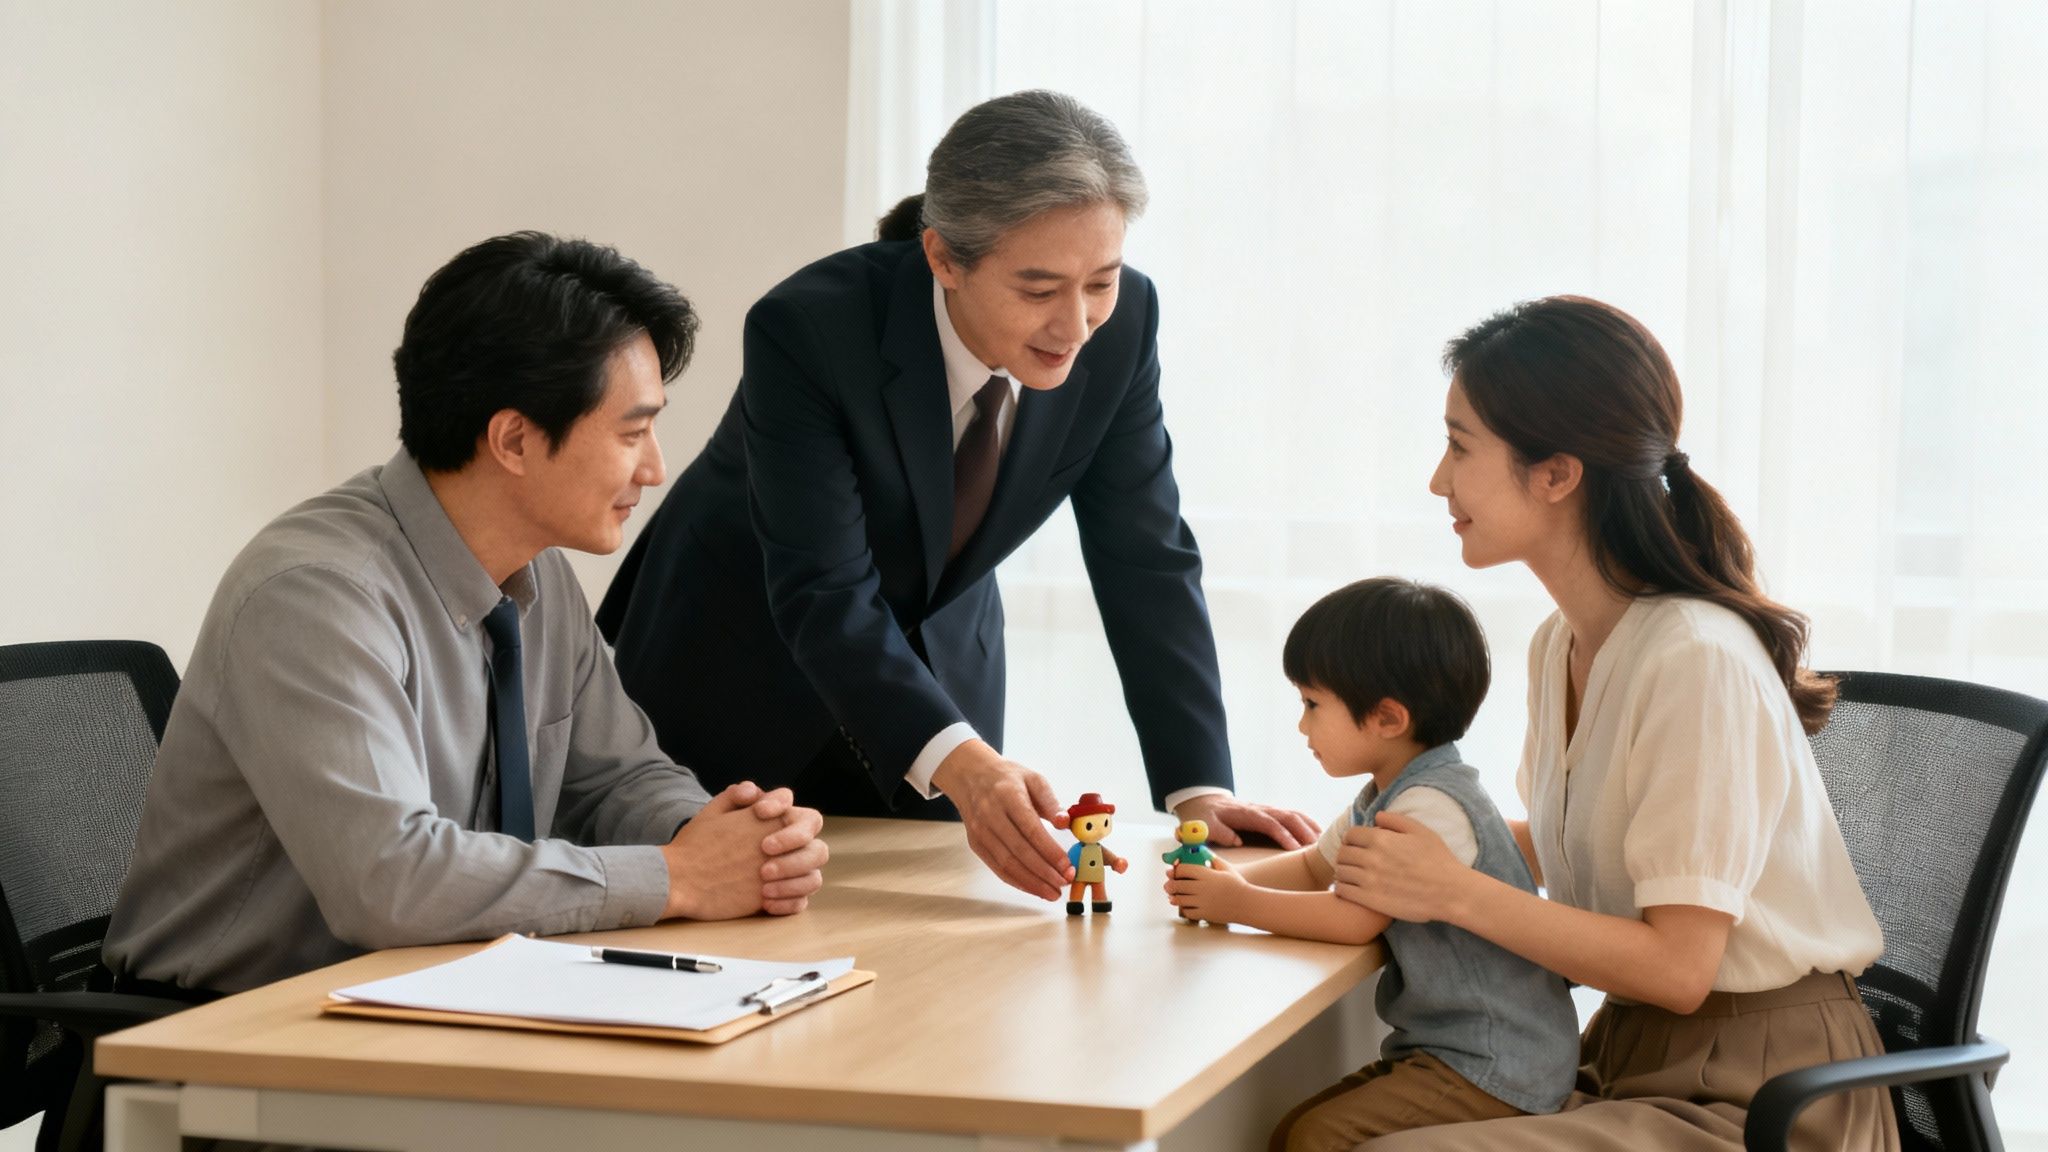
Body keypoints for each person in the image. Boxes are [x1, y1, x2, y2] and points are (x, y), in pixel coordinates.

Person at [598, 90, 1315, 901]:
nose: (1076, 325)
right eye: (1039, 289)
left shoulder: (1125, 325)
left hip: (939, 675)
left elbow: (1145, 556)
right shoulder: (809, 328)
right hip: (744, 658)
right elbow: (823, 586)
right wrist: (967, 766)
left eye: (1101, 282)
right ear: (942, 257)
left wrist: (1200, 794)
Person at [104, 233, 828, 997]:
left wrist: (721, 840)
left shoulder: (537, 572)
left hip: (430, 1000)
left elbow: (615, 779)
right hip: (221, 1041)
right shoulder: (314, 594)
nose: (654, 468)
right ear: (513, 439)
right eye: (631, 432)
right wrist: (675, 877)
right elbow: (391, 882)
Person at [1335, 297, 1896, 1150]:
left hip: (1763, 1097)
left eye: (1459, 446)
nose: (1438, 481)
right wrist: (1378, 845)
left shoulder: (1695, 658)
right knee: (1329, 1125)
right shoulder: (1559, 644)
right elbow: (1585, 842)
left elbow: (1678, 968)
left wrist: (1452, 890)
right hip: (1629, 1056)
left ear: (1557, 473)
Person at [1164, 578, 1579, 1150]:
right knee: (1289, 1130)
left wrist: (1236, 903)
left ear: (1388, 718)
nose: (1302, 725)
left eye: (1312, 704)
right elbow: (1316, 867)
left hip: (1497, 1061)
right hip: (1452, 1048)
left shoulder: (1431, 808)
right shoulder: (1389, 792)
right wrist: (1217, 880)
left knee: (1315, 1138)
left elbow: (1352, 918)